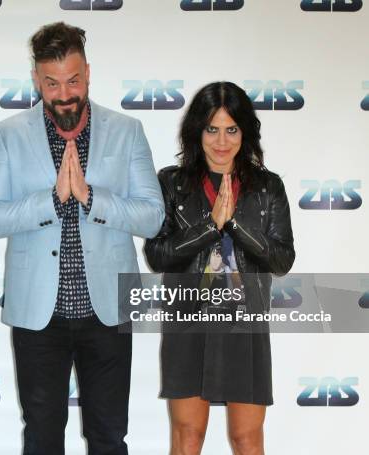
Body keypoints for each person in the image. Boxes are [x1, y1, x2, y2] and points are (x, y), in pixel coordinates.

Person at [0, 22, 164, 455]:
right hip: (38, 316)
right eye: (52, 83)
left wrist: (90, 196)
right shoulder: (6, 135)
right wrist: (52, 200)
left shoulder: (126, 129)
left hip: (109, 312)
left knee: (109, 435)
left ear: (89, 73)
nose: (64, 94)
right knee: (42, 437)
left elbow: (152, 217)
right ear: (36, 80)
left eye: (73, 81)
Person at [144, 81, 295, 455]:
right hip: (188, 320)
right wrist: (211, 225)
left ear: (245, 131)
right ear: (197, 130)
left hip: (245, 324)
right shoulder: (172, 183)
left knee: (246, 439)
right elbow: (157, 255)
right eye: (212, 129)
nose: (222, 141)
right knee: (188, 436)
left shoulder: (267, 187)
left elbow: (281, 260)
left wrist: (235, 226)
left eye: (232, 129)